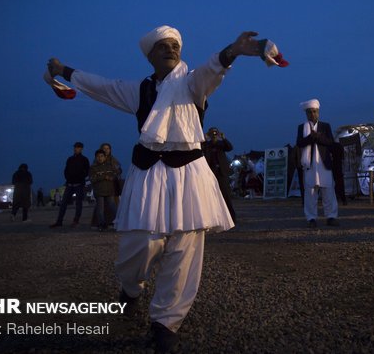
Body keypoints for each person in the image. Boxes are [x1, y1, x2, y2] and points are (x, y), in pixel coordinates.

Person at [46, 26, 264, 352]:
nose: (170, 49)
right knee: (139, 246)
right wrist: (62, 70)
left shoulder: (192, 83)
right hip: (148, 174)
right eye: (162, 46)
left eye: (174, 45)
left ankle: (166, 324)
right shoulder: (139, 91)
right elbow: (102, 87)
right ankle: (131, 288)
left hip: (188, 175)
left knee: (184, 251)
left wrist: (231, 52)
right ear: (150, 56)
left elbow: (211, 72)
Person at [296, 99, 339, 228]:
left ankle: (331, 216)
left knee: (328, 191)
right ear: (306, 114)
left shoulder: (325, 126)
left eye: (314, 112)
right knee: (310, 192)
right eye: (309, 112)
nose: (312, 114)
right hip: (309, 164)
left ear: (318, 112)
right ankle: (311, 218)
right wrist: (310, 138)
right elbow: (299, 143)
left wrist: (318, 137)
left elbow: (330, 142)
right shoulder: (301, 127)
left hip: (323, 163)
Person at [49, 142, 90, 228]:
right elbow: (66, 169)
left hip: (79, 184)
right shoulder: (70, 159)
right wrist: (67, 178)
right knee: (63, 203)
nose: (76, 149)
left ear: (81, 149)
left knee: (78, 204)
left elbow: (87, 171)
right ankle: (59, 221)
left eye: (78, 147)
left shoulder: (84, 159)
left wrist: (80, 176)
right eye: (75, 147)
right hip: (69, 184)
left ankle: (76, 221)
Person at [202, 127, 236, 222]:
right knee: (211, 196)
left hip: (222, 173)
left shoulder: (221, 145)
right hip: (211, 173)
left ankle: (231, 218)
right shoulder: (207, 145)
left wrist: (223, 138)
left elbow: (230, 147)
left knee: (226, 195)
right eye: (212, 133)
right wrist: (204, 139)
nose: (214, 135)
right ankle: (214, 218)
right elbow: (200, 148)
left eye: (215, 133)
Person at [90, 149, 120, 231]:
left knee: (113, 207)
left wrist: (112, 176)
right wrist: (104, 177)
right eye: (98, 156)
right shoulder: (93, 168)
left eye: (101, 156)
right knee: (100, 209)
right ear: (95, 158)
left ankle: (119, 222)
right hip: (99, 191)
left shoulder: (110, 166)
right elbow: (92, 179)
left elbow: (117, 172)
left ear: (105, 157)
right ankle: (102, 224)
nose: (100, 158)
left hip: (109, 191)